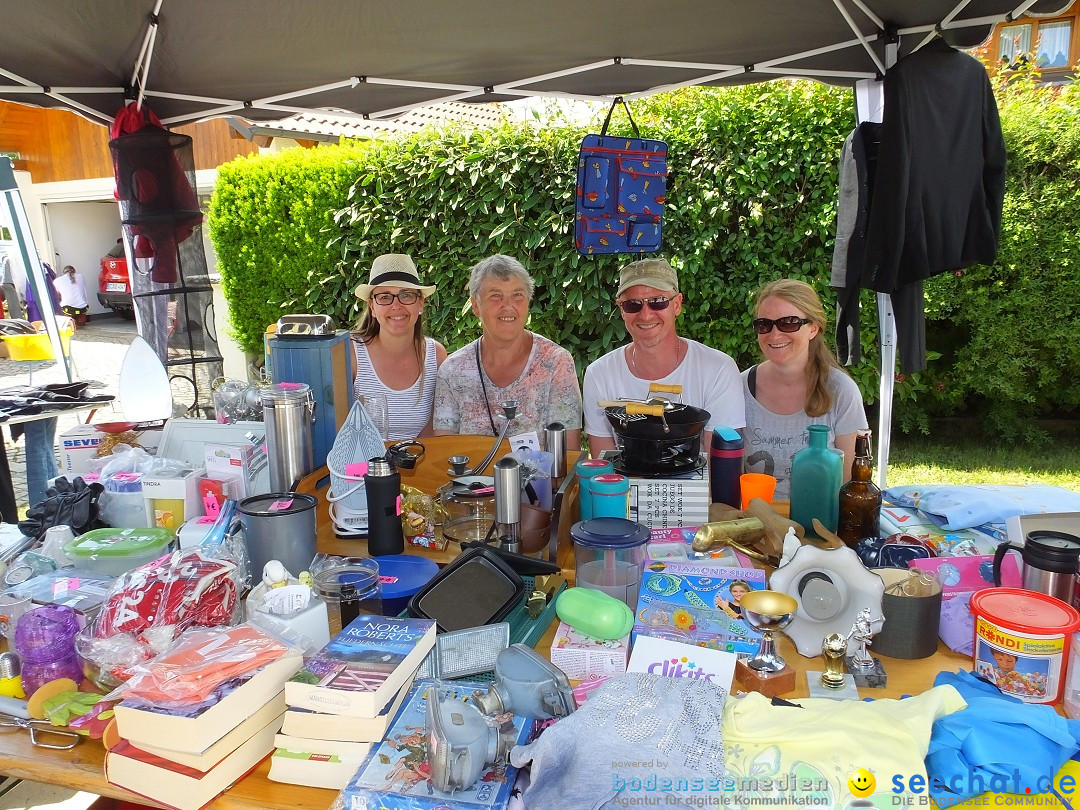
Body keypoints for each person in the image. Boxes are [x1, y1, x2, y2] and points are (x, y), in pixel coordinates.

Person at [582, 258, 744, 455]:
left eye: (657, 302)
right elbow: (604, 469)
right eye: (633, 305)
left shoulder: (718, 369)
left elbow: (720, 466)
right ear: (621, 310)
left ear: (677, 305)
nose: (646, 315)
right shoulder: (599, 374)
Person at [433, 254, 582, 446]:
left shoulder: (555, 363)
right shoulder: (452, 371)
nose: (508, 306)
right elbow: (445, 452)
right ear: (476, 305)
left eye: (517, 295)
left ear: (528, 301)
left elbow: (567, 454)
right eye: (496, 296)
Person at [742, 278, 868, 500]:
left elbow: (852, 483)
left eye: (788, 322)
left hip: (820, 526)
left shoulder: (841, 391)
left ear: (813, 328)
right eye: (764, 324)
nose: (774, 334)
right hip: (755, 524)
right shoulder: (740, 387)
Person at [352, 254, 446, 440]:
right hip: (359, 466)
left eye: (406, 295)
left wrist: (408, 464)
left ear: (420, 303)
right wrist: (366, 469)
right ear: (372, 306)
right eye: (385, 297)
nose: (396, 305)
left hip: (418, 463)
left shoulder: (436, 355)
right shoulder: (351, 354)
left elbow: (436, 430)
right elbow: (338, 432)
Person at [1, 248, 22, 319]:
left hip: (7, 282)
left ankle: (18, 320)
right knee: (14, 305)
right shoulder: (10, 258)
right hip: (8, 282)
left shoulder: (7, 258)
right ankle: (19, 320)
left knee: (13, 305)